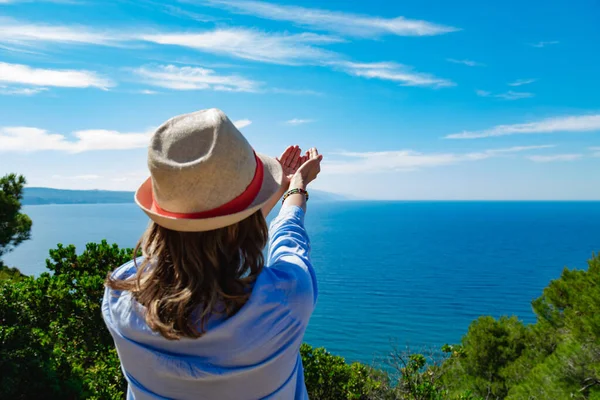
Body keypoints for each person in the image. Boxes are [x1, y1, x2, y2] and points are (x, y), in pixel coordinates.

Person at [102, 108, 323, 399]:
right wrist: (295, 189)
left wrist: (253, 205)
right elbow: (289, 242)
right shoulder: (285, 302)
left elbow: (210, 236)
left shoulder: (123, 294)